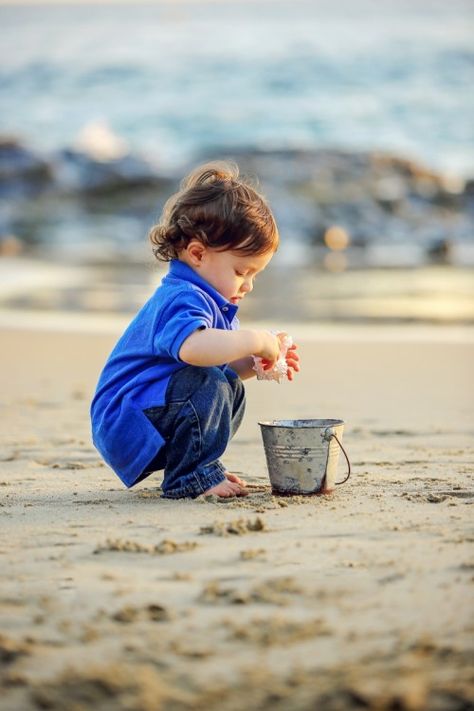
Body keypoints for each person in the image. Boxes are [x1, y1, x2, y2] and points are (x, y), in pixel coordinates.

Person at [90, 161, 300, 499]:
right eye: (241, 271)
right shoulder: (182, 297)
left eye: (254, 276)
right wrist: (257, 339)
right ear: (198, 254)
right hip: (125, 419)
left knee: (228, 385)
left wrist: (254, 364)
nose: (247, 286)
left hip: (151, 413)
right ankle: (191, 477)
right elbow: (193, 351)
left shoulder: (212, 303)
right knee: (210, 384)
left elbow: (214, 365)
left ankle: (193, 463)